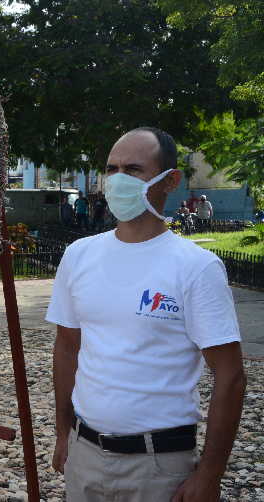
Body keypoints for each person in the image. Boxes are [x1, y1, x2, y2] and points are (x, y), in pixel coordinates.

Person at [47, 127, 246, 502]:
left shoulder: (195, 268)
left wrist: (210, 473)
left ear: (169, 181)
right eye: (111, 169)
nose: (117, 180)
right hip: (85, 454)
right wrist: (62, 433)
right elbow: (67, 348)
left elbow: (231, 376)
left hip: (159, 466)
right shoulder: (79, 256)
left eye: (133, 169)